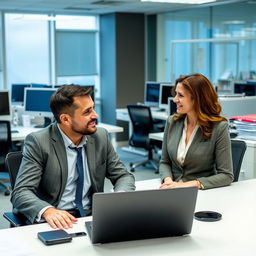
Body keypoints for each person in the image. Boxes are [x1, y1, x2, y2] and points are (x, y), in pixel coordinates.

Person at [11, 85, 135, 229]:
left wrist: (119, 195)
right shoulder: (39, 142)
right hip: (55, 220)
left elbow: (123, 176)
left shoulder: (100, 137)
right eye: (87, 111)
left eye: (93, 108)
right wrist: (48, 211)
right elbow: (20, 192)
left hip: (92, 217)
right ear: (65, 119)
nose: (95, 115)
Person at [159, 73, 233, 190]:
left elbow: (226, 175)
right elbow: (164, 162)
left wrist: (188, 185)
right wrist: (168, 181)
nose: (174, 99)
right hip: (172, 190)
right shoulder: (172, 122)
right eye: (175, 94)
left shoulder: (219, 128)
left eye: (181, 95)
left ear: (197, 99)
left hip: (201, 192)